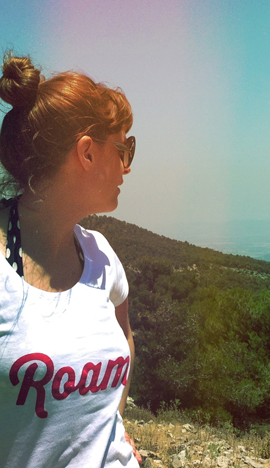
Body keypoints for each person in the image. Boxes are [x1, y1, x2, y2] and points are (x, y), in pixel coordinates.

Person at [0, 53, 141, 467]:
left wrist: (112, 423)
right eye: (124, 148)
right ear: (87, 153)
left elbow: (125, 335)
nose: (127, 167)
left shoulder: (100, 254)